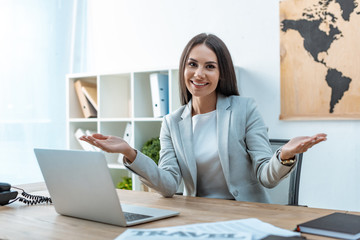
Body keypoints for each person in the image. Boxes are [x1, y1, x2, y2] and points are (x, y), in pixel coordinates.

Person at [80, 33, 327, 203]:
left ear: (222, 73)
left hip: (247, 215)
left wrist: (284, 155)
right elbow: (168, 185)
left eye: (210, 66)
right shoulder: (171, 122)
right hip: (200, 216)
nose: (199, 74)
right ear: (184, 68)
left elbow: (265, 176)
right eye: (192, 64)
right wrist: (130, 153)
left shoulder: (244, 110)